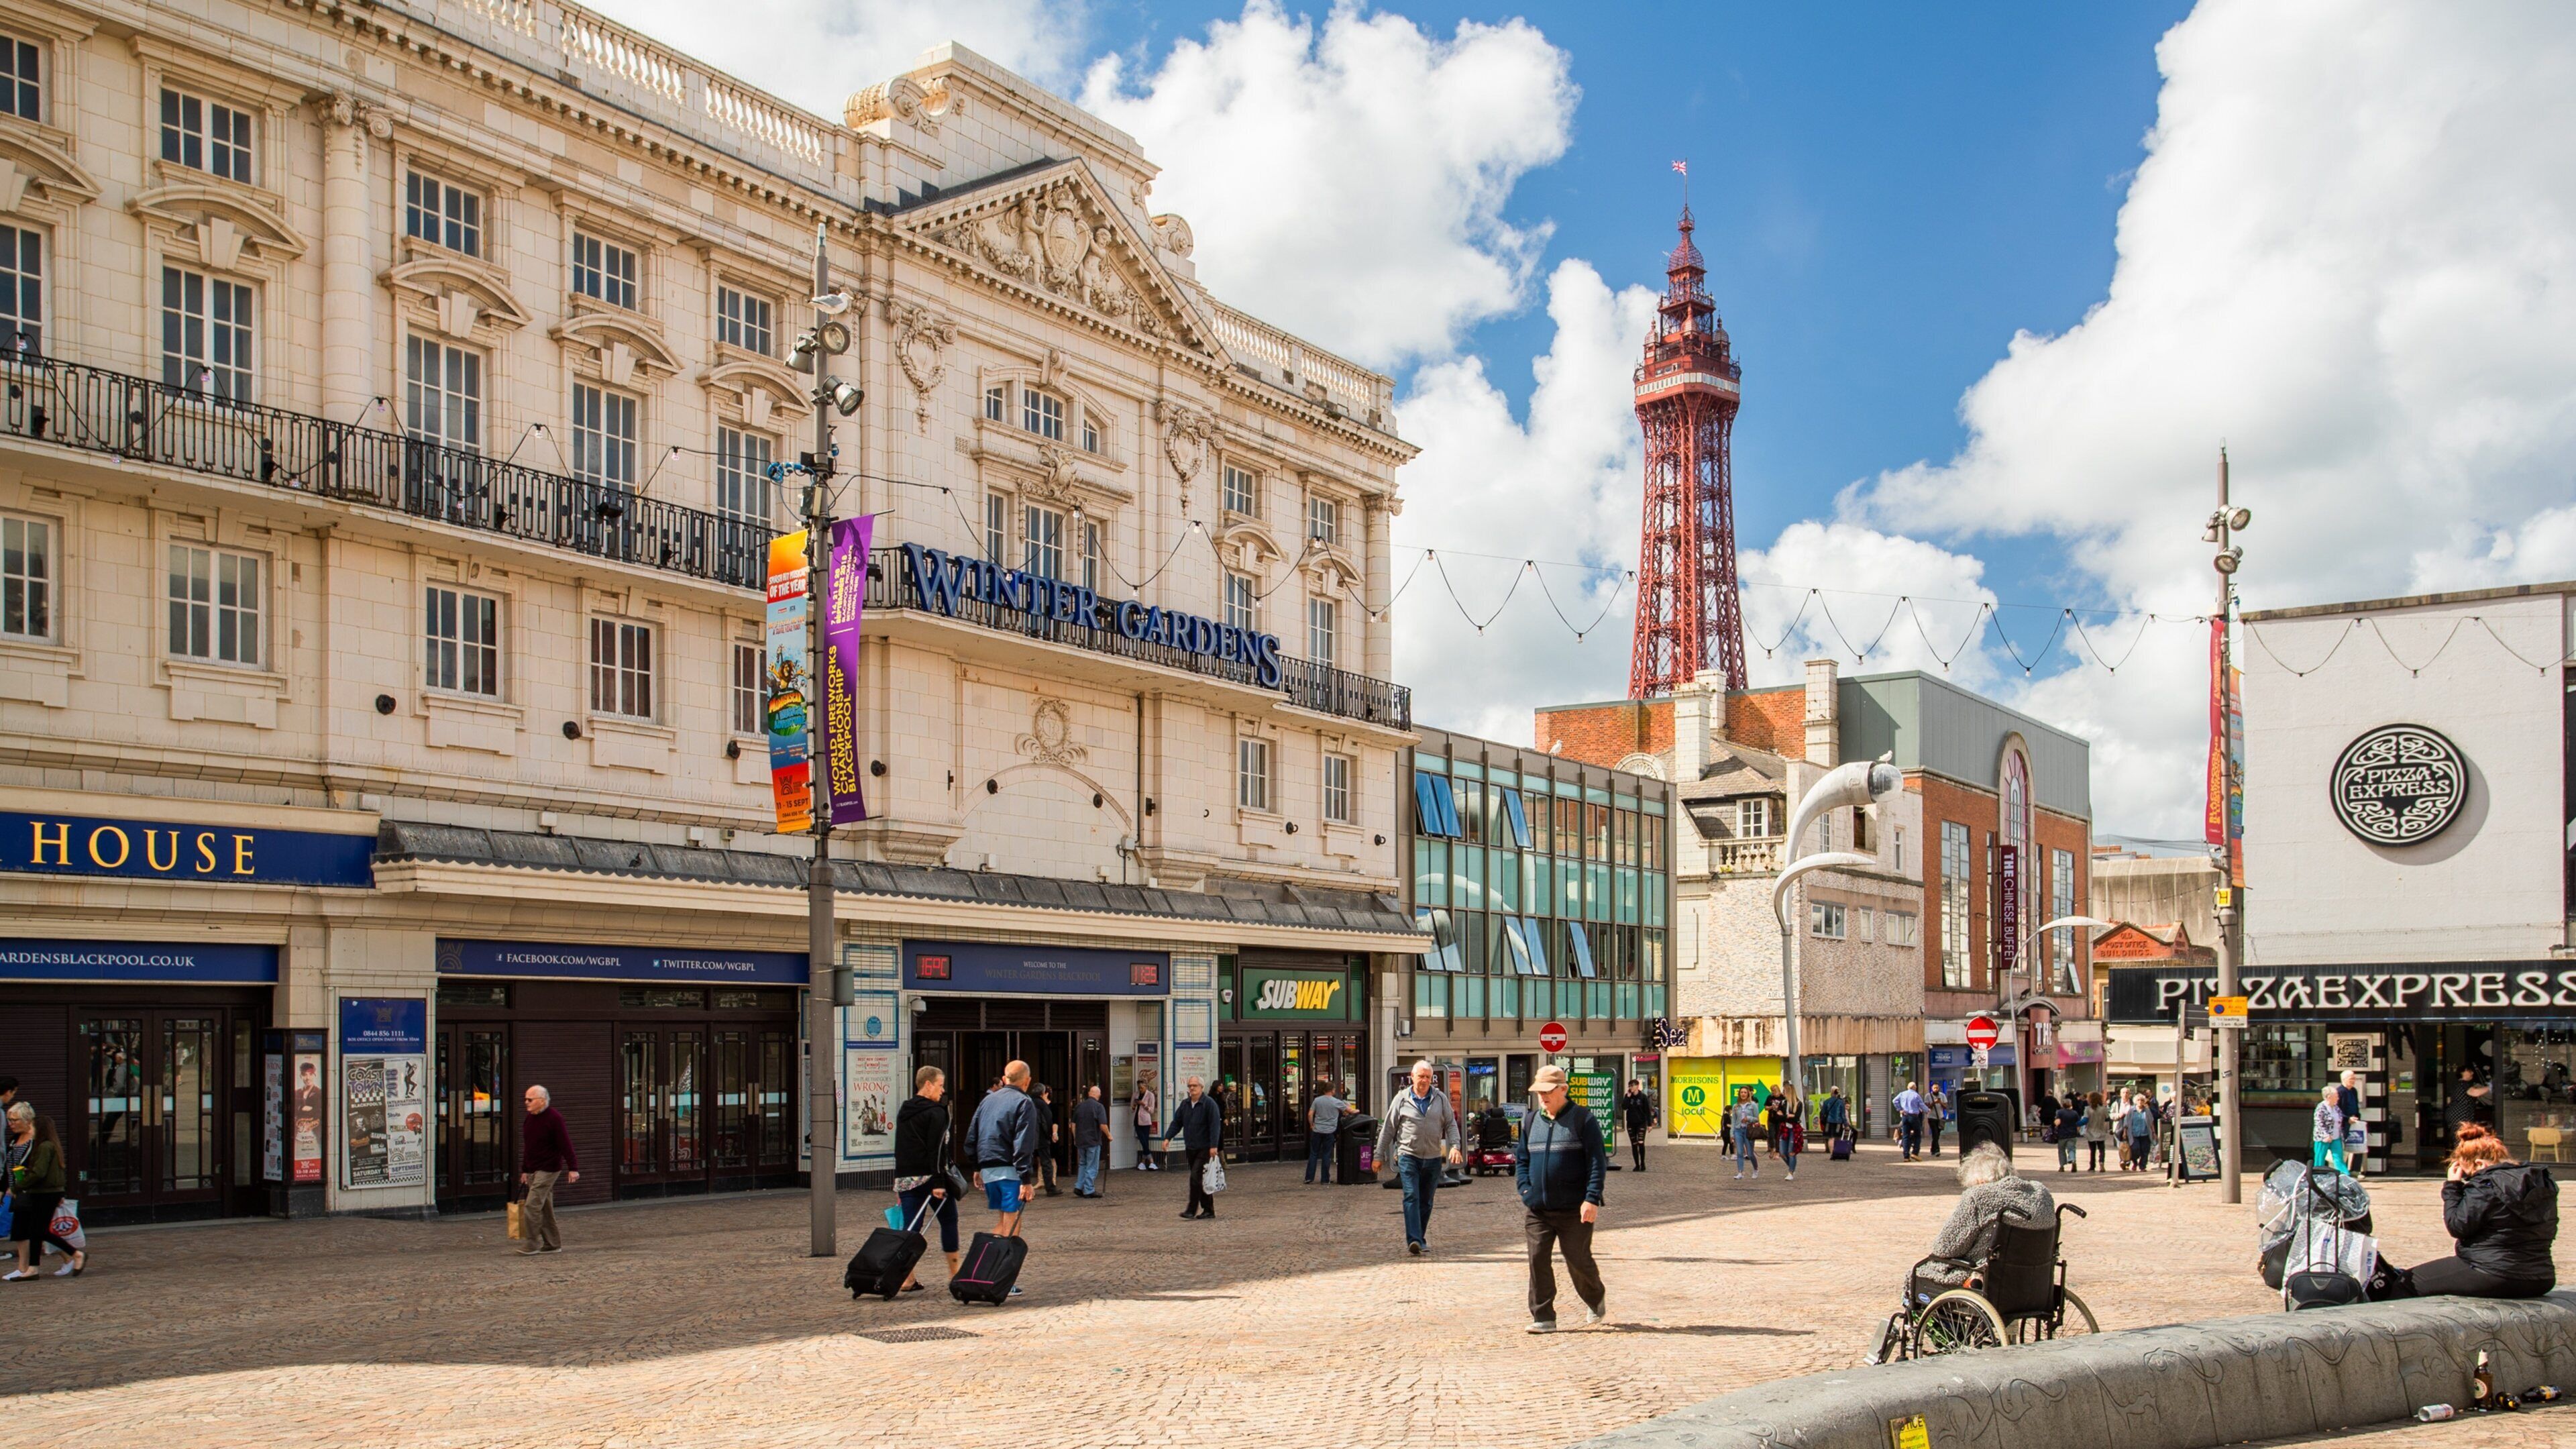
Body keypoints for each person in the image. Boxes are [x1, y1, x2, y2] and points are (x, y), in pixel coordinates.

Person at [2383, 1124, 2558, 1300]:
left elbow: (2458, 1226)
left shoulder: (2486, 1184)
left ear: (2480, 1164)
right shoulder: (2539, 1181)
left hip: (2493, 1272)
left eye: (2468, 1174)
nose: (2468, 1179)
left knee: (2407, 1282)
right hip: (2541, 1277)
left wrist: (2453, 1186)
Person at [1516, 1066, 1608, 1334]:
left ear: (1563, 1090)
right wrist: (1525, 1189)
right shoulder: (1531, 1121)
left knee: (1578, 1260)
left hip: (1574, 1209)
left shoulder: (1583, 1120)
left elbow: (1597, 1162)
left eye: (1547, 1092)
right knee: (1537, 1259)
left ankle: (1595, 1296)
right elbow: (1522, 1159)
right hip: (1538, 1209)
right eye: (1538, 1092)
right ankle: (1543, 1316)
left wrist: (1591, 1199)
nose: (1542, 1097)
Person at [1374, 1060, 1462, 1255]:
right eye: (1421, 1076)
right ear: (1412, 1077)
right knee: (1411, 1196)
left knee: (1426, 1201)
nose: (1424, 1080)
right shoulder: (1402, 1099)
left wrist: (1455, 1146)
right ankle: (1414, 1240)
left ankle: (1420, 1238)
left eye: (1428, 1077)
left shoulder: (1440, 1099)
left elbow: (1451, 1124)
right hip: (1408, 1156)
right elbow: (1389, 1128)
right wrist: (1378, 1155)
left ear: (1432, 1079)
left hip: (1433, 1157)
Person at [891, 1066, 961, 1291]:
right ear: (928, 1084)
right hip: (932, 1179)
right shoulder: (937, 1112)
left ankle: (907, 1278)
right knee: (949, 1221)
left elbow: (901, 1147)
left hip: (906, 1179)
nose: (942, 1091)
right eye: (940, 1085)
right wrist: (939, 1183)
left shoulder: (905, 1109)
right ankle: (954, 1274)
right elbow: (937, 1151)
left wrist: (900, 1178)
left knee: (912, 1228)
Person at [969, 1060, 1043, 1271]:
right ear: (1027, 1081)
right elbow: (1023, 1142)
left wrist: (976, 1166)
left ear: (1004, 1079)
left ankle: (981, 1263)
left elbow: (972, 1134)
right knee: (1012, 1224)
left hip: (989, 1169)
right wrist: (1026, 1179)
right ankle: (997, 1273)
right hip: (1010, 1170)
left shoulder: (988, 1101)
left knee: (1003, 1221)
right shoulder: (1024, 1102)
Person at [3, 1106, 80, 1279]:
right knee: (24, 1230)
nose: (11, 1124)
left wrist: (59, 1193)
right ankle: (25, 1268)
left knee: (36, 1230)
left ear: (28, 1121)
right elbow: (9, 1166)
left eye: (15, 1120)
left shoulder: (40, 1143)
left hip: (33, 1190)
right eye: (10, 1120)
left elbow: (45, 1171)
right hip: (21, 1189)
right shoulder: (15, 1140)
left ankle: (69, 1256)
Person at [517, 1083, 578, 1255]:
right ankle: (552, 1243)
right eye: (525, 1099)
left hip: (549, 1169)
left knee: (532, 1205)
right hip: (534, 1169)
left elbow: (565, 1144)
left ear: (542, 1101)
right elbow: (529, 1147)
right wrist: (525, 1170)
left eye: (530, 1100)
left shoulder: (554, 1118)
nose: (526, 1103)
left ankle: (531, 1243)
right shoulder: (529, 1119)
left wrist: (573, 1168)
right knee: (545, 1207)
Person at [1165, 1075, 1223, 1221]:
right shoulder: (1185, 1105)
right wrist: (1167, 1138)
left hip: (1205, 1148)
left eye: (1195, 1086)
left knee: (1195, 1177)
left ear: (1201, 1088)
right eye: (1190, 1086)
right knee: (1200, 1180)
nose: (1192, 1088)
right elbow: (1177, 1123)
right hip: (1191, 1147)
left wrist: (1214, 1146)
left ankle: (1191, 1210)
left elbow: (1215, 1126)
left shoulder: (1209, 1104)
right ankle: (1209, 1210)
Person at [1306, 1079, 1349, 1185]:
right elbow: (1347, 1111)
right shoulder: (1336, 1102)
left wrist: (1312, 1125)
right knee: (1326, 1155)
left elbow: (1310, 1114)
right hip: (1330, 1131)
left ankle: (1309, 1177)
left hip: (1317, 1130)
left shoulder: (1317, 1100)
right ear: (1333, 1090)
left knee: (1314, 1154)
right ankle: (1325, 1179)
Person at [1073, 1083, 1112, 1198]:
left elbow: (1073, 1124)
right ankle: (1089, 1189)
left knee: (1083, 1164)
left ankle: (1079, 1186)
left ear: (1090, 1094)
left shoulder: (1079, 1106)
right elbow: (1103, 1125)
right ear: (1098, 1095)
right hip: (1093, 1140)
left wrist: (1075, 1137)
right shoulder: (1099, 1107)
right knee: (1092, 1165)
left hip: (1081, 1141)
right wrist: (1109, 1136)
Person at [1031, 1082, 1062, 1197]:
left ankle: (1023, 1185)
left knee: (1026, 1162)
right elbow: (1048, 1121)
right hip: (1042, 1138)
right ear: (1042, 1093)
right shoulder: (1042, 1104)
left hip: (1028, 1137)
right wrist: (1050, 1134)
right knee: (1046, 1162)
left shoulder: (1027, 1102)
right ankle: (1050, 1188)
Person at [2311, 1083, 2349, 1174]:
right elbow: (2319, 1123)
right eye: (2336, 1096)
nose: (2338, 1098)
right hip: (2323, 1138)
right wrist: (2326, 1135)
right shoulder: (2321, 1108)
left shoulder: (2336, 1108)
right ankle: (2318, 1176)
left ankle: (2345, 1176)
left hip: (2336, 1137)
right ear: (2329, 1097)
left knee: (2338, 1158)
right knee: (2320, 1158)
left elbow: (2341, 1117)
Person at [2337, 1070, 2368, 1179]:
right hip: (2345, 1123)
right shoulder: (2340, 1092)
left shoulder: (2354, 1091)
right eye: (2351, 1079)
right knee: (2344, 1146)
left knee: (2358, 1144)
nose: (2354, 1081)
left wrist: (2357, 1117)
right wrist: (2347, 1119)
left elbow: (2355, 1105)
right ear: (2344, 1080)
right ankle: (2344, 1171)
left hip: (2355, 1120)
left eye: (2354, 1079)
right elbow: (2338, 1110)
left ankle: (2356, 1169)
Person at [1619, 1079, 1655, 1172]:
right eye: (1629, 1086)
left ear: (1637, 1086)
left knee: (1640, 1142)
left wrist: (1649, 1124)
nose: (1630, 1087)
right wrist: (1627, 1097)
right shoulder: (1628, 1096)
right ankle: (1637, 1165)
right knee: (1634, 1144)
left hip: (1641, 1122)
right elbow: (1624, 1107)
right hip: (1631, 1123)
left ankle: (1643, 1163)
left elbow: (1647, 1111)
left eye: (1632, 1086)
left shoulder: (1643, 1097)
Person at [1729, 1086, 1762, 1179]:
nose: (1743, 1094)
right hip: (1738, 1130)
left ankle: (1756, 1169)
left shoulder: (1753, 1105)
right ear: (1739, 1094)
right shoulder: (1736, 1106)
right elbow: (1733, 1121)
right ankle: (1740, 1172)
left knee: (1750, 1154)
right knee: (1740, 1152)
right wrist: (1732, 1134)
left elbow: (1757, 1119)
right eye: (1741, 1092)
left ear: (1748, 1094)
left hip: (1749, 1131)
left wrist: (1749, 1118)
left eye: (1745, 1092)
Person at [1776, 1089, 1806, 1182]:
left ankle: (1791, 1172)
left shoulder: (1798, 1103)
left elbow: (1796, 1118)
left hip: (1794, 1129)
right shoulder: (1783, 1103)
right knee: (1782, 1152)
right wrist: (1787, 1116)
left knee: (1791, 1151)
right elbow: (1777, 1117)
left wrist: (1785, 1116)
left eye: (1785, 1092)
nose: (1783, 1093)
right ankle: (1792, 1166)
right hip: (1784, 1129)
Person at [1894, 1081, 1927, 1162]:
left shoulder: (1902, 1094)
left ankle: (1906, 1156)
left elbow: (1894, 1101)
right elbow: (1922, 1105)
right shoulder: (1916, 1095)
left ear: (1908, 1087)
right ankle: (1915, 1152)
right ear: (1914, 1088)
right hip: (1914, 1117)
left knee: (1906, 1136)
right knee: (1918, 1134)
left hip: (1905, 1117)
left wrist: (1900, 1109)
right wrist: (1927, 1110)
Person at [2125, 1088, 2157, 1171]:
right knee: (2135, 1150)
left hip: (2145, 1133)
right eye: (2138, 1100)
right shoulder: (2132, 1111)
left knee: (2145, 1151)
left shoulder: (2147, 1111)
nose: (2140, 1102)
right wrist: (2125, 1132)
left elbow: (2151, 1122)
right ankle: (2135, 1162)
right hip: (2134, 1134)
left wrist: (2154, 1132)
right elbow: (2127, 1122)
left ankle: (2142, 1166)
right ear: (2135, 1101)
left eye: (2142, 1100)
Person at [1132, 1086, 1161, 1171]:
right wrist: (1134, 1105)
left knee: (1145, 1141)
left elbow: (1152, 1111)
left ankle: (1144, 1162)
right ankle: (1151, 1162)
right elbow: (1132, 1109)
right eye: (1139, 1088)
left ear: (1146, 1087)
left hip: (1146, 1121)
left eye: (1142, 1088)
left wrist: (1143, 1104)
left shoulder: (1150, 1095)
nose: (1140, 1090)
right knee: (1143, 1140)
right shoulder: (1135, 1095)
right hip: (1137, 1121)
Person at [2053, 1095, 2084, 1173]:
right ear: (2071, 1104)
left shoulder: (2060, 1112)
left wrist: (2054, 1124)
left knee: (2061, 1150)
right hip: (2072, 1134)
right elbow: (2078, 1124)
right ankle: (2073, 1160)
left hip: (2062, 1134)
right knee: (2072, 1149)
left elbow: (2057, 1122)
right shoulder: (2075, 1113)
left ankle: (2062, 1166)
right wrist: (2077, 1132)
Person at [2083, 1091, 2110, 1172]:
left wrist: (2077, 1124)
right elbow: (2108, 1118)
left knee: (2092, 1150)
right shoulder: (2103, 1109)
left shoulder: (2088, 1109)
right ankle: (2101, 1162)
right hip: (2100, 1131)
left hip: (2090, 1132)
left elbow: (2085, 1120)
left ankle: (2092, 1166)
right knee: (2102, 1150)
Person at [1819, 1086, 1850, 1152]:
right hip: (1838, 1123)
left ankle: (1832, 1153)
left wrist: (1823, 1122)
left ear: (1831, 1092)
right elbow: (1843, 1115)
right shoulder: (1841, 1102)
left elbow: (1823, 1113)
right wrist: (1846, 1125)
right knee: (1838, 1138)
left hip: (1829, 1122)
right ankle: (1837, 1152)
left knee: (1831, 1138)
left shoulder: (1826, 1102)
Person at [1926, 1087, 1950, 1159]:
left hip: (1940, 1118)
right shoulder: (1928, 1096)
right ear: (1932, 1089)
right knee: (1935, 1133)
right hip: (1931, 1118)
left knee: (1937, 1135)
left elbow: (1946, 1107)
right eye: (1934, 1088)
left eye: (1937, 1088)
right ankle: (1937, 1150)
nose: (1936, 1089)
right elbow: (1927, 1107)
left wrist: (1940, 1102)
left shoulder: (1942, 1095)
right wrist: (1934, 1103)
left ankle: (1933, 1149)